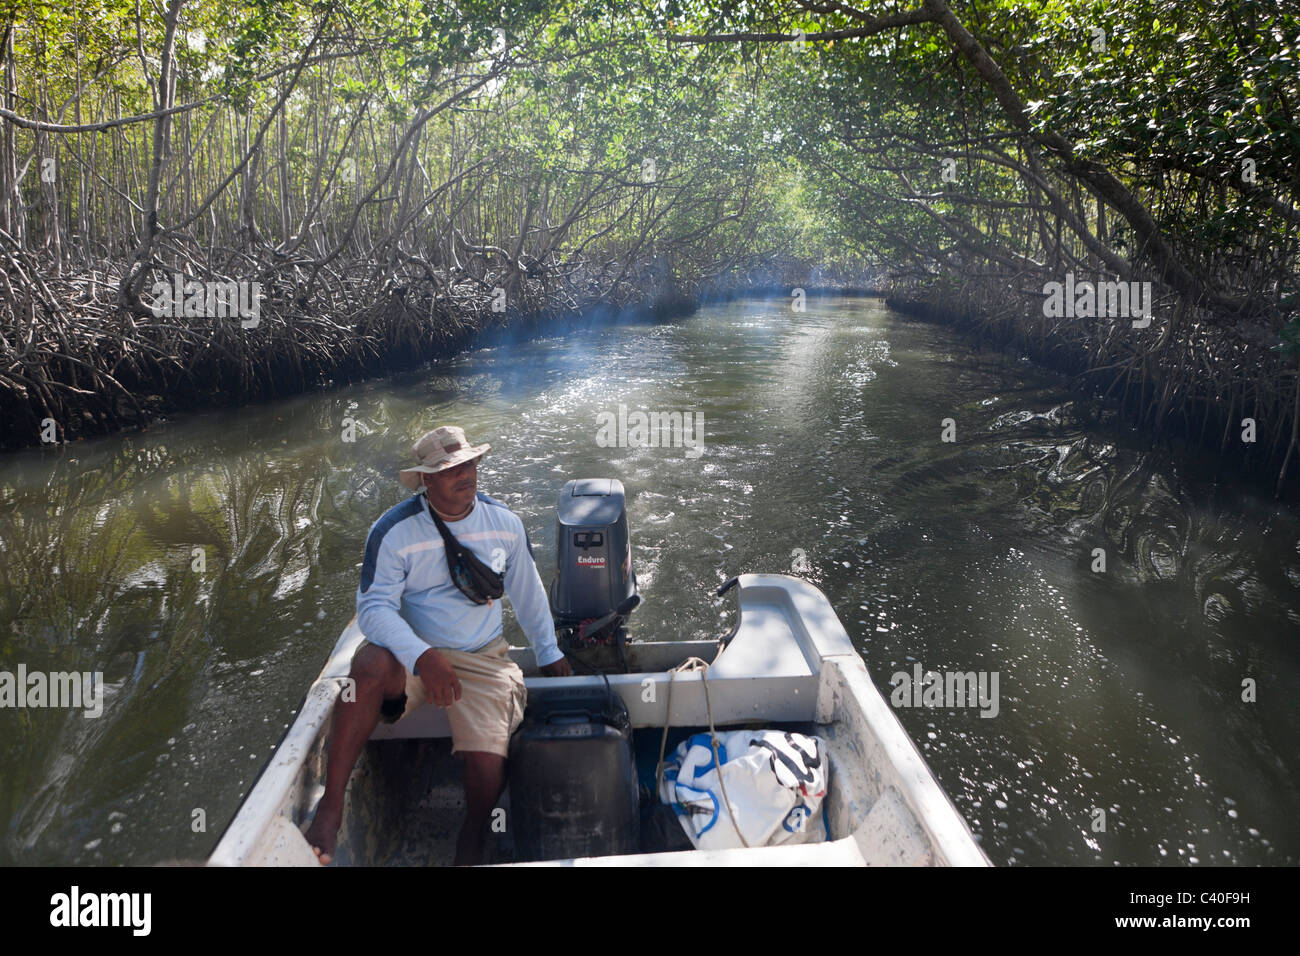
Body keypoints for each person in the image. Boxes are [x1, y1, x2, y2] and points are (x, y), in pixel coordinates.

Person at [304, 425, 571, 866]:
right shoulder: (393, 531)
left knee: (489, 757)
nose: (464, 474)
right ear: (426, 480)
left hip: (482, 655)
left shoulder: (504, 524)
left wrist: (550, 652)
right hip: (410, 656)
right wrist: (422, 657)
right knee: (367, 662)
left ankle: (473, 833)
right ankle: (331, 807)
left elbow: (528, 592)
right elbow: (373, 612)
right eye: (450, 469)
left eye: (468, 464)